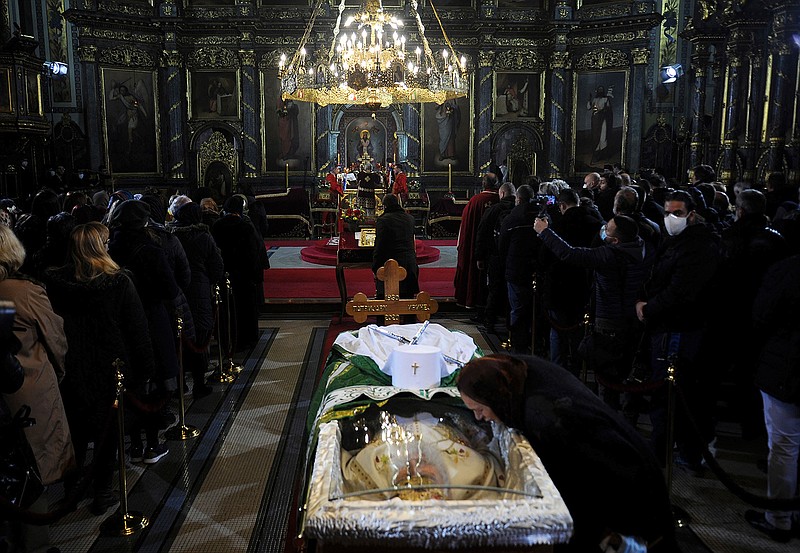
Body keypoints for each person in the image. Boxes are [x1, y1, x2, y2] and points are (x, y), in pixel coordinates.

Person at [457, 353, 676, 552]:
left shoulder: (546, 418)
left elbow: (580, 483)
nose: (479, 418)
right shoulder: (513, 372)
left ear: (496, 398)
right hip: (619, 457)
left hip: (628, 487)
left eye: (480, 409)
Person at [44, 222, 155, 515]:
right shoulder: (118, 281)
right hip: (111, 365)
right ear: (99, 247)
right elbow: (137, 328)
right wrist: (146, 369)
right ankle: (103, 491)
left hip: (72, 364)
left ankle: (72, 491)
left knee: (75, 431)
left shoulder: (55, 283)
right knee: (108, 431)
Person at [635, 190, 720, 474]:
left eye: (678, 213)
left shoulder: (698, 247)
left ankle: (663, 458)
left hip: (680, 329)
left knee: (670, 398)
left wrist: (649, 308)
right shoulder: (677, 241)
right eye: (667, 213)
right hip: (669, 325)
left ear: (691, 215)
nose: (671, 218)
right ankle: (681, 452)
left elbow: (681, 291)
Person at [744, 254, 800, 543]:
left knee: (783, 447)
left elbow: (762, 314)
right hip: (786, 366)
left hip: (786, 368)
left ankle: (779, 519)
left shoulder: (788, 269)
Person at [169, 202, 224, 398]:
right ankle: (199, 383)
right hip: (199, 289)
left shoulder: (171, 236)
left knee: (179, 336)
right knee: (200, 335)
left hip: (177, 292)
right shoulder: (203, 236)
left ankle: (181, 383)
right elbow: (216, 265)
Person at [211, 195, 267, 351]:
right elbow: (252, 253)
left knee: (227, 309)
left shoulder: (217, 226)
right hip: (244, 275)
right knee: (246, 308)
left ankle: (227, 340)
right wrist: (256, 276)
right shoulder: (245, 227)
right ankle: (247, 340)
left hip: (225, 274)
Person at [474, 182, 516, 334]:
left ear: (502, 194)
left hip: (496, 257)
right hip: (515, 259)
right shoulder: (518, 210)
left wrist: (479, 256)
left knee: (494, 288)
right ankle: (510, 323)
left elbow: (482, 233)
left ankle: (489, 322)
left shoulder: (494, 210)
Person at [454, 172, 499, 310]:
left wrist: (463, 245)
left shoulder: (475, 201)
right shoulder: (500, 200)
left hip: (476, 247)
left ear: (483, 184)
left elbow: (466, 228)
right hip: (496, 248)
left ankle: (474, 302)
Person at [372, 194, 418, 300]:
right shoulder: (410, 218)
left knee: (386, 303)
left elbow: (380, 245)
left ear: (385, 206)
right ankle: (409, 317)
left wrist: (376, 267)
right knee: (408, 302)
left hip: (390, 265)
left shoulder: (383, 220)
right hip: (409, 264)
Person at [587, 85, 614, 163]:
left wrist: (605, 110)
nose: (600, 91)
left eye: (602, 89)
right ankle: (596, 155)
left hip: (603, 119)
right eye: (599, 89)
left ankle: (603, 155)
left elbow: (609, 108)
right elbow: (589, 107)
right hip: (595, 120)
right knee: (595, 137)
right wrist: (589, 99)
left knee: (603, 136)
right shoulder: (595, 99)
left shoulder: (605, 99)